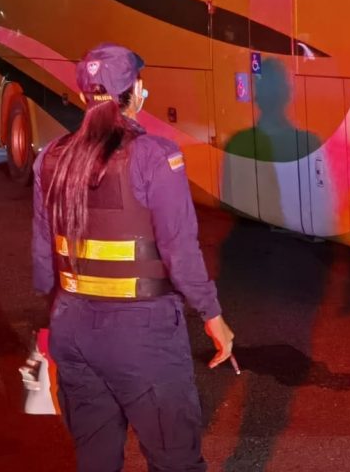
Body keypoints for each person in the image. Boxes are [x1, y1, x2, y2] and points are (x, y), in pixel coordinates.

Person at [32, 43, 236, 471]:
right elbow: (180, 250)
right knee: (175, 458)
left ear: (85, 95)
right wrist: (212, 314)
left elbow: (42, 256)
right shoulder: (154, 155)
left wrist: (51, 326)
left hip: (72, 329)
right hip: (142, 337)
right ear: (136, 92)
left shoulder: (50, 158)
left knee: (95, 457)